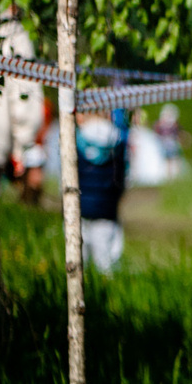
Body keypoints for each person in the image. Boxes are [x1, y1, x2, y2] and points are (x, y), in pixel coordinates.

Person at [75, 110, 128, 275]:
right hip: (107, 209)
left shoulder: (77, 139)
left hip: (79, 208)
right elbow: (121, 177)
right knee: (105, 262)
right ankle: (106, 294)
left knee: (78, 262)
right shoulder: (117, 139)